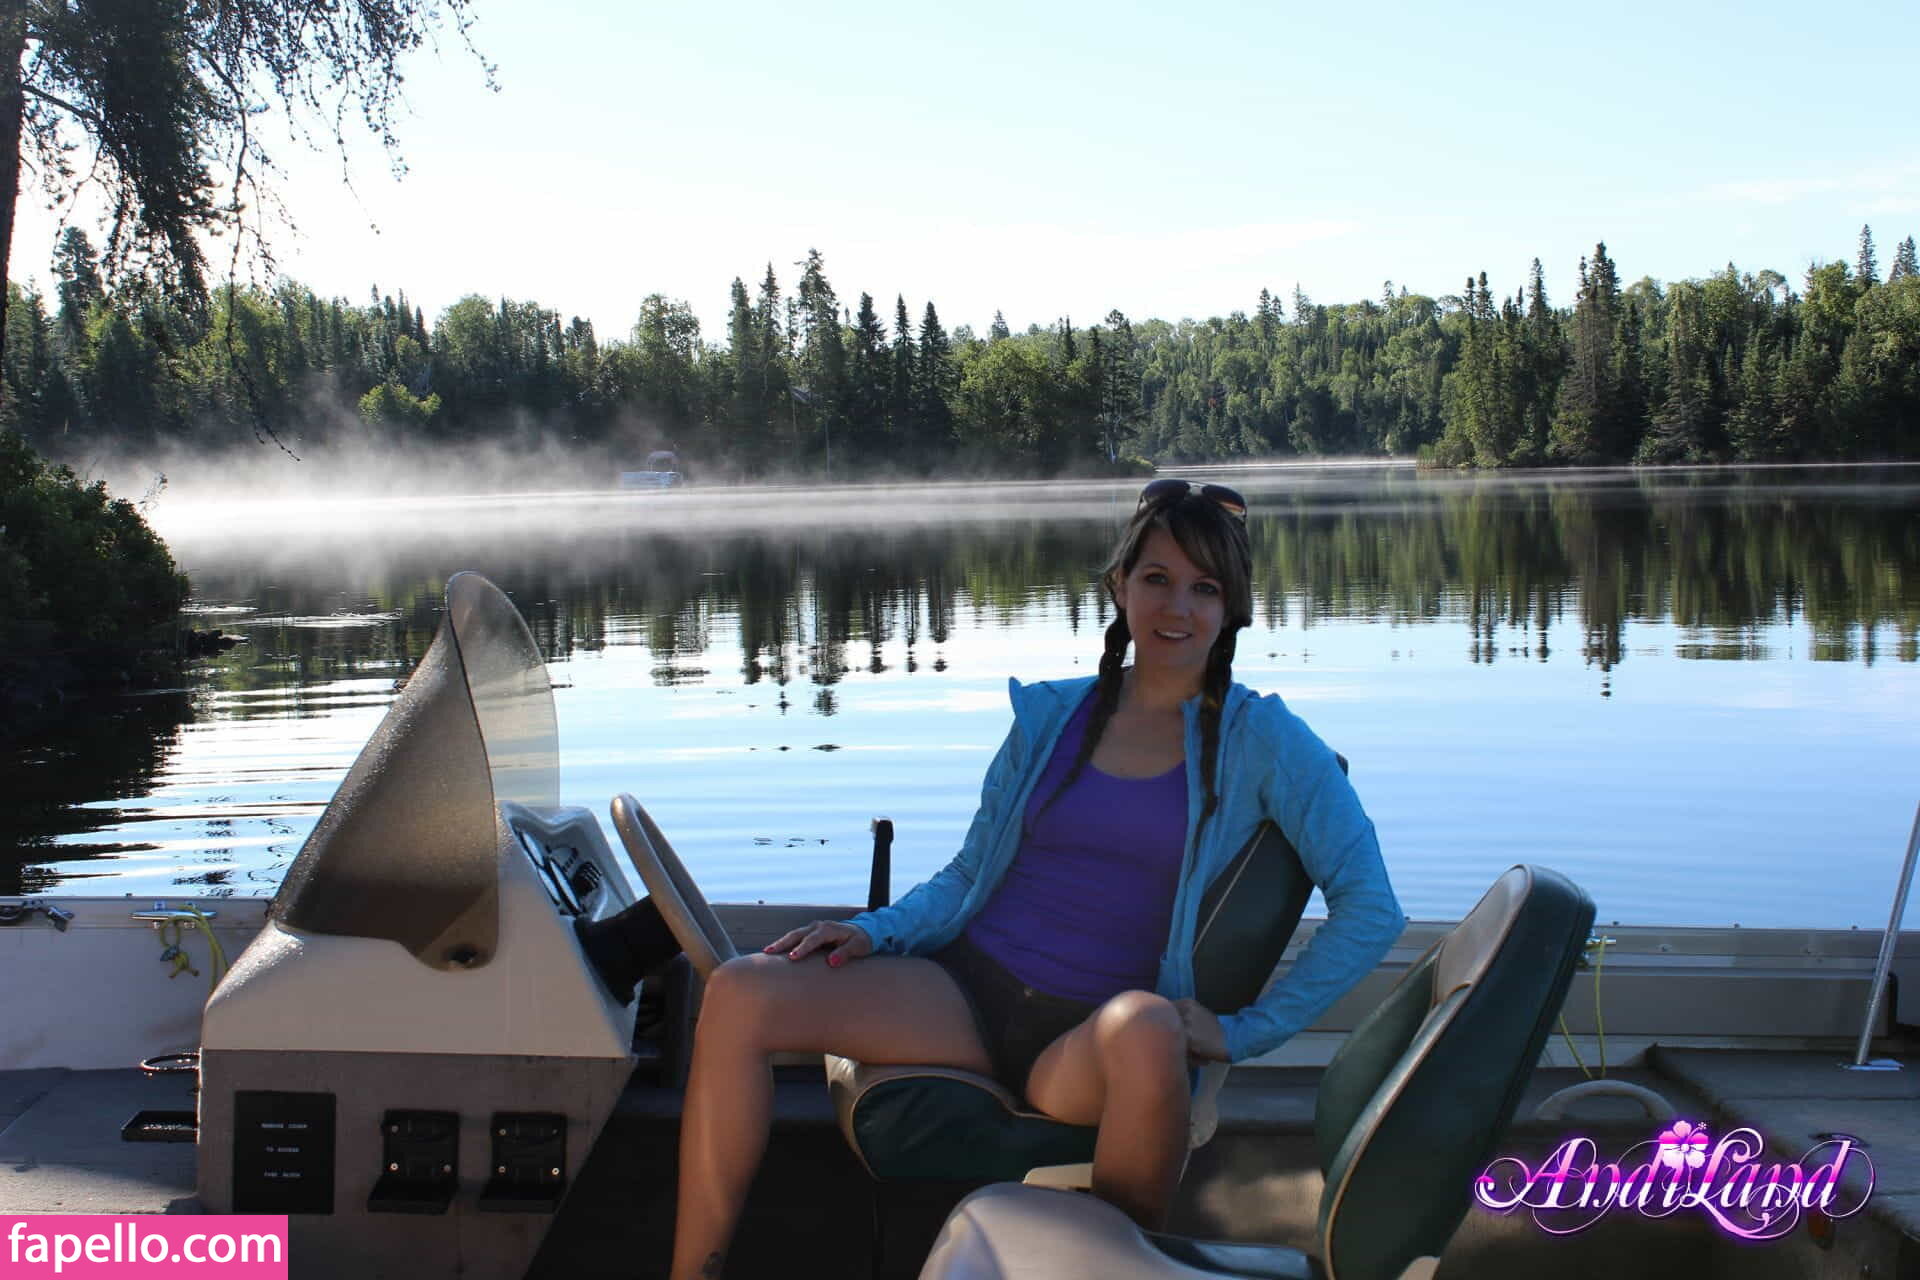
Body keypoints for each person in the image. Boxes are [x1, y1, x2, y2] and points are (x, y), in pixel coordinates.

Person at [669, 479, 1403, 1280]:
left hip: (1090, 1041)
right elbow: (967, 874)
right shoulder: (1052, 717)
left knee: (1149, 1026)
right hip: (965, 994)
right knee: (740, 991)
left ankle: (1120, 1268)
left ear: (1233, 608)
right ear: (1120, 585)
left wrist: (1245, 1031)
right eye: (1157, 578)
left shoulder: (1265, 739)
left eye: (1205, 588)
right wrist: (874, 931)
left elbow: (1371, 908)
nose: (1177, 608)